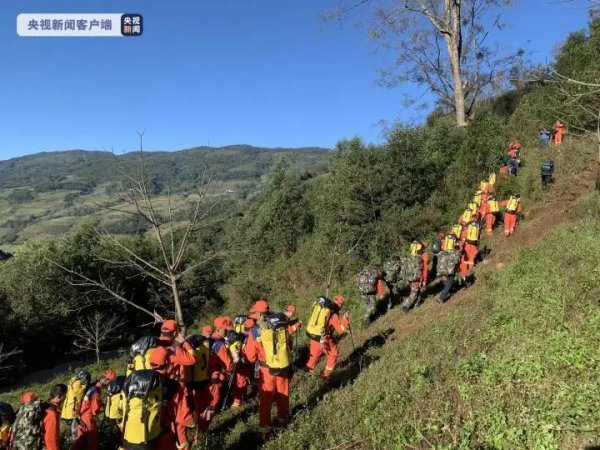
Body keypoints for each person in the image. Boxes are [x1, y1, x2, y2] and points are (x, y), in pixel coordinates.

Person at [244, 300, 292, 435]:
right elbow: (289, 343)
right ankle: (283, 418)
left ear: (259, 313)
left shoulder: (255, 331)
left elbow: (250, 357)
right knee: (284, 393)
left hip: (266, 370)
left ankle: (265, 427)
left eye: (254, 313)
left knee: (266, 398)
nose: (253, 315)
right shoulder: (280, 323)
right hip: (282, 364)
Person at [157, 319, 198, 450]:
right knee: (179, 421)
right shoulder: (174, 350)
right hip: (175, 390)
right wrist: (184, 343)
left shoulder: (154, 346)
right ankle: (182, 445)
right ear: (175, 334)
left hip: (157, 391)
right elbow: (192, 359)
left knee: (164, 423)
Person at [304, 295, 350, 377]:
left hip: (315, 337)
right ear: (340, 305)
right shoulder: (334, 315)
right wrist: (345, 319)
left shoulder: (323, 309)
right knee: (333, 353)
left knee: (313, 357)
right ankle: (326, 375)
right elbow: (341, 330)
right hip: (325, 339)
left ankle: (305, 374)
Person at [72, 369, 117, 450]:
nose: (110, 385)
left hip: (81, 416)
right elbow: (95, 410)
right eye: (110, 382)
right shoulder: (96, 392)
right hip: (88, 418)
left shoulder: (93, 386)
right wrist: (105, 408)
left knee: (79, 442)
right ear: (106, 380)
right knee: (92, 442)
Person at [401, 242, 428, 312]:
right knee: (414, 293)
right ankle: (405, 306)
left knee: (418, 291)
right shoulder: (422, 257)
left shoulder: (411, 257)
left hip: (410, 277)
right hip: (417, 279)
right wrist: (424, 280)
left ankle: (416, 305)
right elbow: (424, 270)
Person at [44, 384, 68, 450]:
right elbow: (50, 439)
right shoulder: (52, 414)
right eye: (65, 395)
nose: (66, 397)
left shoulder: (47, 405)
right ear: (59, 396)